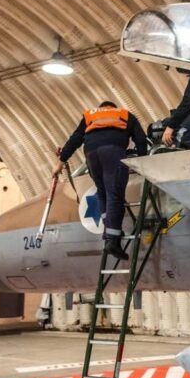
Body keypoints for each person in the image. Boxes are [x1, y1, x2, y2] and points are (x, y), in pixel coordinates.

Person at [52, 101, 147, 260]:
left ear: (102, 108)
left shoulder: (90, 115)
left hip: (91, 154)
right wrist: (143, 162)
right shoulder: (124, 114)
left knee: (102, 192)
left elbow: (75, 139)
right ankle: (113, 241)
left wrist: (60, 163)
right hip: (113, 151)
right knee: (114, 194)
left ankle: (108, 230)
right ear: (113, 107)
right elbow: (141, 138)